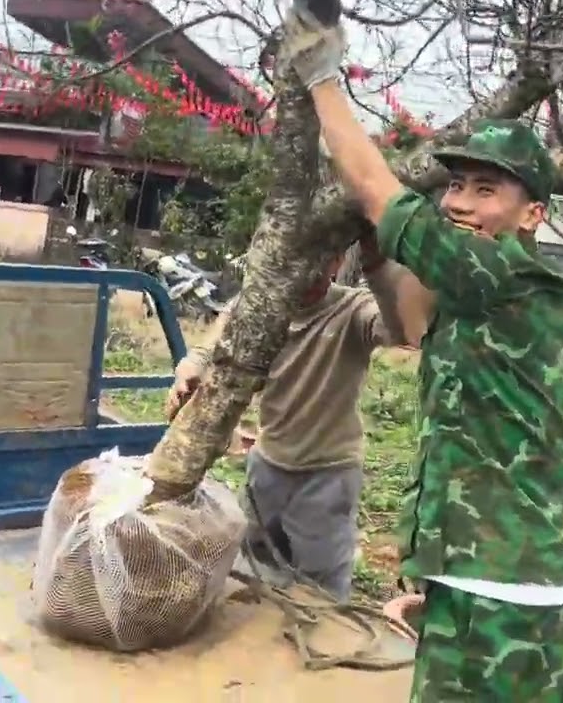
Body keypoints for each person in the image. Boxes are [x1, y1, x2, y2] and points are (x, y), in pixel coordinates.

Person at [279, 2, 563, 702]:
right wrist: (436, 581)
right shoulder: (475, 294)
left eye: (487, 189)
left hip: (508, 598)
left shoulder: (508, 275)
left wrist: (321, 75)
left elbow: (375, 189)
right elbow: (412, 324)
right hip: (479, 584)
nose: (460, 203)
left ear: (534, 214)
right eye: (455, 185)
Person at [165, 235, 413, 602]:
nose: (304, 273)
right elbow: (215, 340)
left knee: (321, 593)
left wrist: (378, 263)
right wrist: (191, 368)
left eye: (319, 261)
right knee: (252, 571)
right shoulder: (263, 306)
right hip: (267, 466)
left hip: (326, 476)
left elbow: (402, 329)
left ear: (336, 262)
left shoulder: (353, 310)